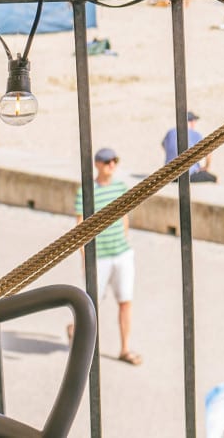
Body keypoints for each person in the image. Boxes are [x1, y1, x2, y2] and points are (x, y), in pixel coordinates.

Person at [72, 148, 140, 366]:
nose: (112, 164)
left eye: (115, 161)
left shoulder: (121, 188)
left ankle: (125, 348)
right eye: (107, 161)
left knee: (125, 301)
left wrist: (126, 240)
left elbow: (124, 218)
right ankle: (77, 333)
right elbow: (80, 225)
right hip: (98, 256)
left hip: (121, 253)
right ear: (97, 164)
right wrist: (84, 257)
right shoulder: (86, 191)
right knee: (91, 304)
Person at [161, 112, 217, 183]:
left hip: (168, 174)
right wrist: (206, 167)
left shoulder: (170, 132)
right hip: (188, 175)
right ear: (192, 122)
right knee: (215, 178)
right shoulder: (195, 134)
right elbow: (208, 153)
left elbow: (163, 145)